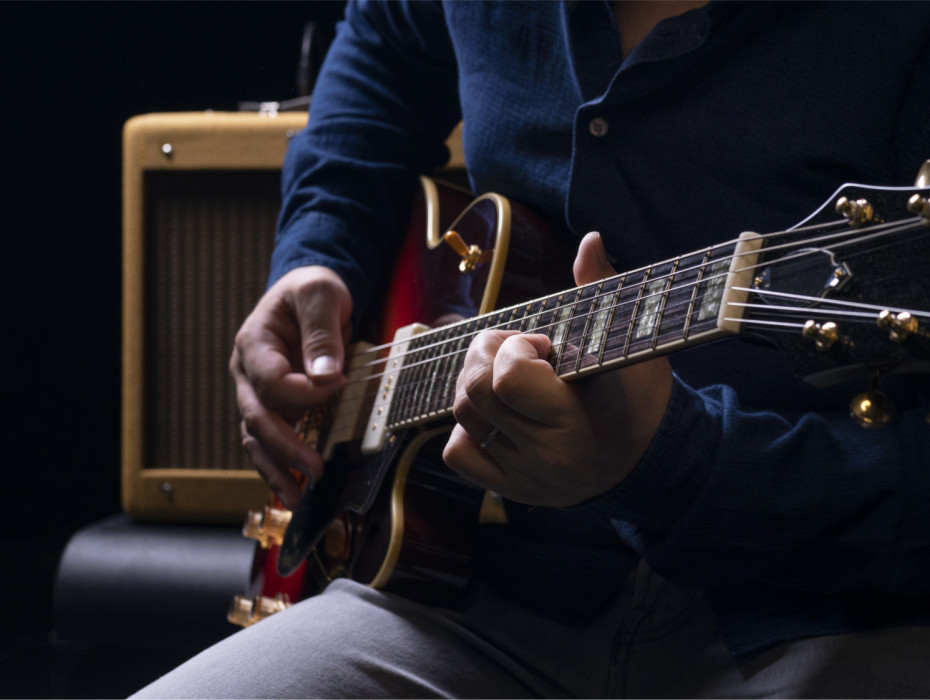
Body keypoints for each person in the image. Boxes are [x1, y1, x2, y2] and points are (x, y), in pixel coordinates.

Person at [134, 1, 930, 697]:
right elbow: (381, 41)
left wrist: (675, 461)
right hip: (479, 597)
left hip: (836, 609)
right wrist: (318, 249)